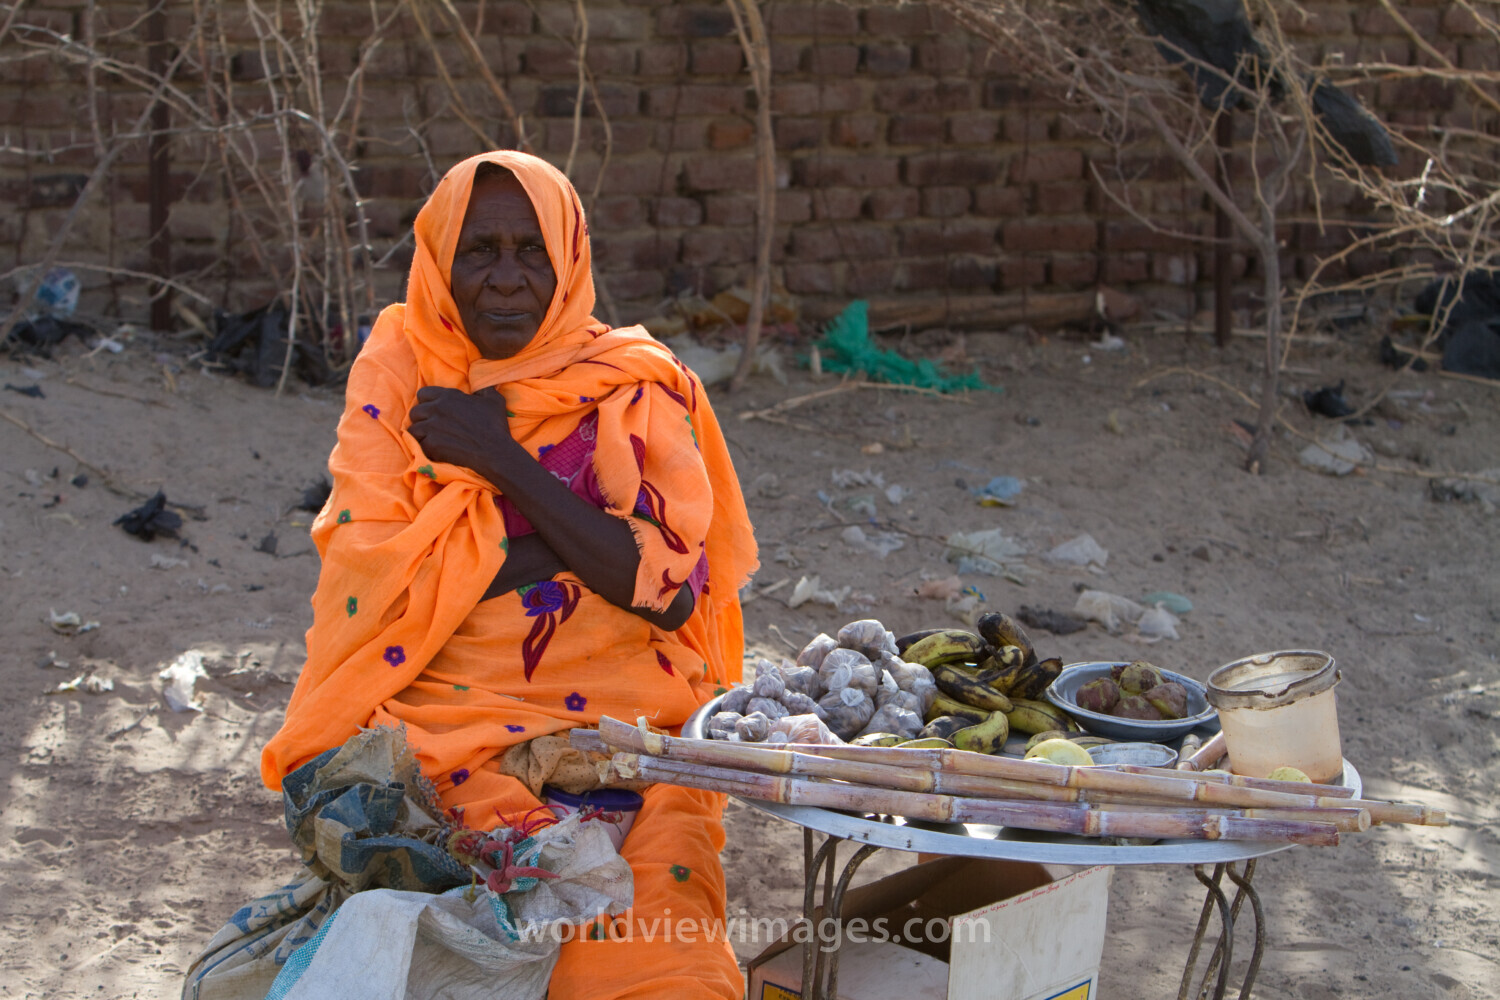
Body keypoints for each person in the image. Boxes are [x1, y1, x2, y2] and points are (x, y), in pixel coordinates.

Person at [260, 150, 758, 999]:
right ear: (439, 261)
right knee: (461, 915)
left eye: (532, 251)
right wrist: (594, 546)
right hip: (443, 725)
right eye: (479, 250)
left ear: (569, 261)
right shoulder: (402, 369)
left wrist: (497, 461)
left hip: (630, 733)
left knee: (659, 961)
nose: (504, 278)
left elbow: (669, 594)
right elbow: (378, 574)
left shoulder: (635, 383)